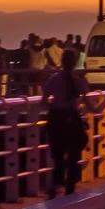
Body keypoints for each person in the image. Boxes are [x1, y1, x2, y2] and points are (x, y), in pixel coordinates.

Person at [42, 48, 89, 196]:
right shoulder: (79, 81)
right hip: (71, 117)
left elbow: (44, 100)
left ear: (62, 62)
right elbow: (87, 101)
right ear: (75, 63)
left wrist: (52, 107)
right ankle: (70, 182)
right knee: (75, 150)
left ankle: (56, 183)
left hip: (56, 117)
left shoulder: (54, 79)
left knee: (57, 153)